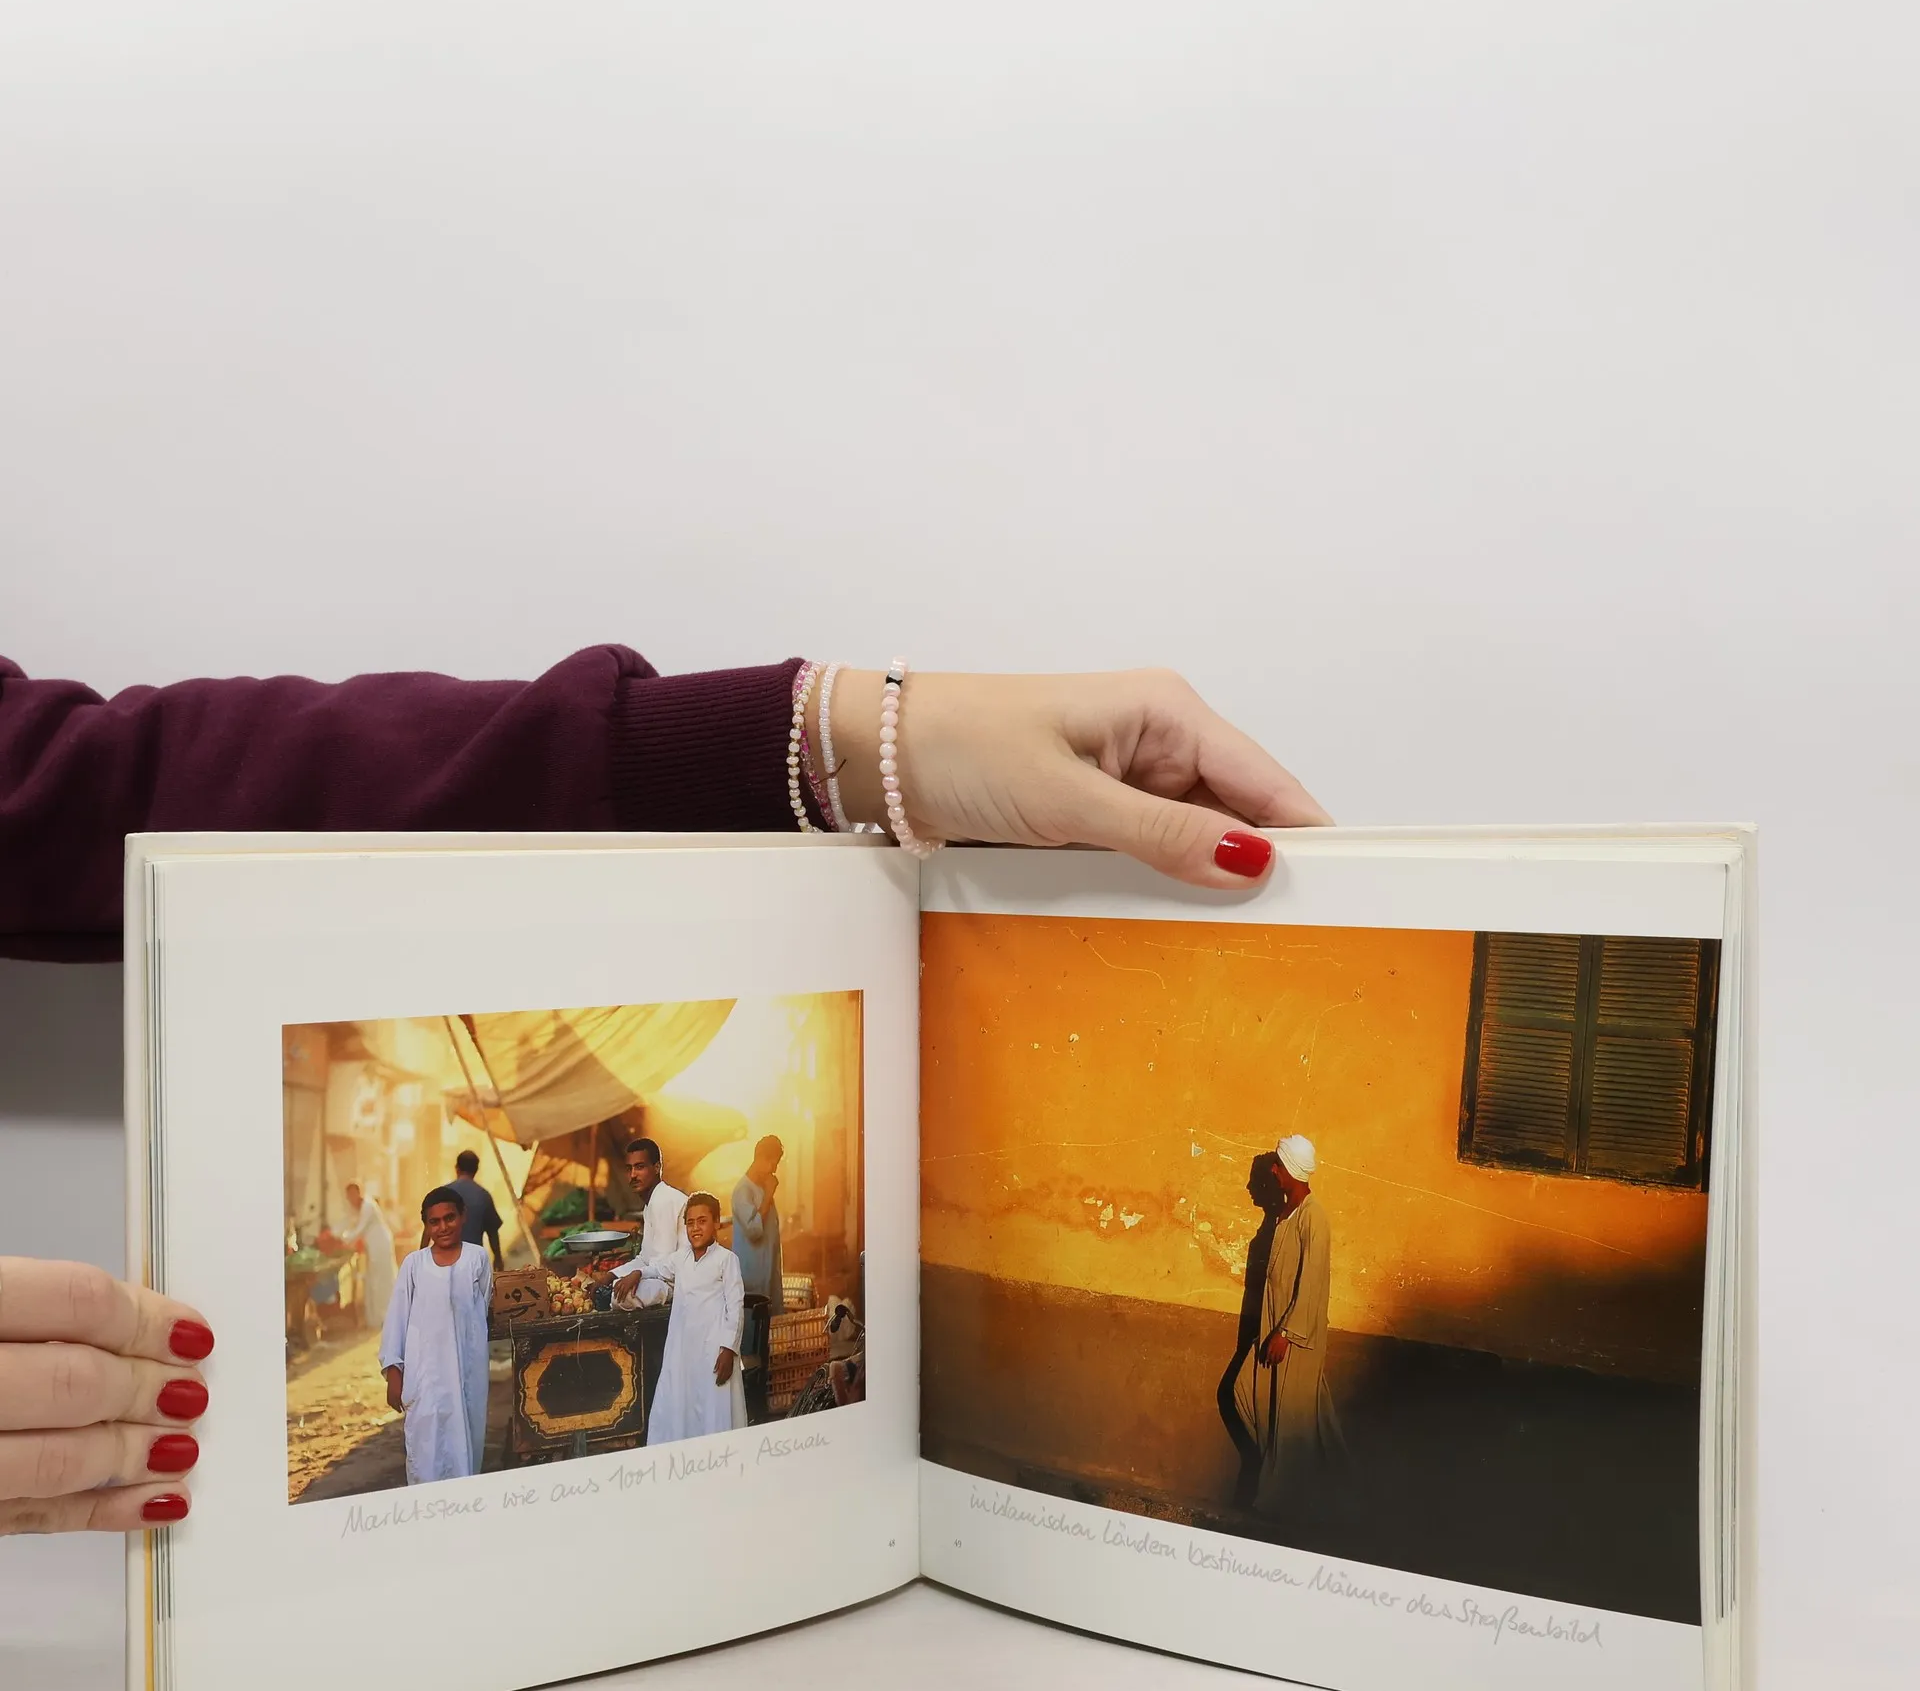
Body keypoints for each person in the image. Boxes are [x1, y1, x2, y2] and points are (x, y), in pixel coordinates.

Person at [0, 650, 1327, 1532]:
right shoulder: (583, 1232)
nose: (667, 1189)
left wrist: (849, 737)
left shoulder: (712, 1225)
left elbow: (67, 784)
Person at [1249, 1135, 1345, 1518]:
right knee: (1254, 1396)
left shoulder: (1313, 1217)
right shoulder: (1284, 1213)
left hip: (1296, 1335)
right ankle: (1335, 1486)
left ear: (1290, 1170)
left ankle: (1280, 1505)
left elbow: (1313, 1281)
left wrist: (1286, 1333)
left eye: (1278, 1165)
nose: (1272, 1171)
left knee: (1291, 1421)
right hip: (1274, 1324)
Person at [379, 1186, 494, 1485]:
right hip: (425, 1374)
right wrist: (394, 1372)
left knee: (465, 1445)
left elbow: (481, 1309)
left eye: (449, 1218)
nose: (443, 1227)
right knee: (425, 1449)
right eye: (435, 1221)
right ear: (426, 1226)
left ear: (463, 1216)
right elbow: (397, 1318)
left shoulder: (477, 1258)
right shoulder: (414, 1265)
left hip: (466, 1373)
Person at [1216, 1149, 1291, 1511]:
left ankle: (1263, 1476)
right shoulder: (1278, 1221)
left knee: (1237, 1392)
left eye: (1258, 1179)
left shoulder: (1300, 1222)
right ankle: (1262, 1475)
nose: (1250, 1187)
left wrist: (1285, 1332)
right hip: (1260, 1327)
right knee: (1240, 1396)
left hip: (1278, 1332)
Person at [642, 1193, 747, 1446]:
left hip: (714, 1349)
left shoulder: (726, 1260)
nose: (695, 1228)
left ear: (716, 1223)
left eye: (702, 1221)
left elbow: (735, 1307)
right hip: (683, 1350)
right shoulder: (681, 1259)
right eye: (690, 1223)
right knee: (681, 1403)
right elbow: (657, 1268)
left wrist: (728, 1349)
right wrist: (637, 1274)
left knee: (713, 1405)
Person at [610, 1137, 688, 1309]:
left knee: (622, 1296)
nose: (633, 1175)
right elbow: (646, 1258)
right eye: (629, 1169)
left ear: (657, 1167)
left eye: (639, 1167)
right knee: (615, 1287)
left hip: (679, 1283)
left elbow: (665, 1264)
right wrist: (611, 1275)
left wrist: (638, 1274)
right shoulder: (651, 1203)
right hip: (660, 1277)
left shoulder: (664, 1200)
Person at [730, 1136, 786, 1315]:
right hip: (750, 1279)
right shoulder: (742, 1190)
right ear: (760, 1158)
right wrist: (769, 1194)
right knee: (752, 1325)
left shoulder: (760, 1188)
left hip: (766, 1275)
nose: (774, 1169)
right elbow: (753, 1230)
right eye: (772, 1163)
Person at [338, 1181, 398, 1331]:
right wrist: (340, 1236)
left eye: (351, 1195)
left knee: (382, 1281)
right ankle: (375, 1319)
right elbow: (349, 1225)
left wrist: (343, 1240)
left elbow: (359, 1229)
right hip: (373, 1246)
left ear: (358, 1193)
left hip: (380, 1245)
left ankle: (385, 1318)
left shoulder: (368, 1206)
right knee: (372, 1282)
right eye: (348, 1197)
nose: (350, 1200)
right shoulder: (358, 1209)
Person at [450, 1150, 506, 1272]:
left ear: (457, 1168)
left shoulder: (444, 1193)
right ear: (476, 1170)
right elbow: (492, 1232)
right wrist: (497, 1258)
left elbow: (428, 1230)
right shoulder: (483, 1196)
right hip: (473, 1265)